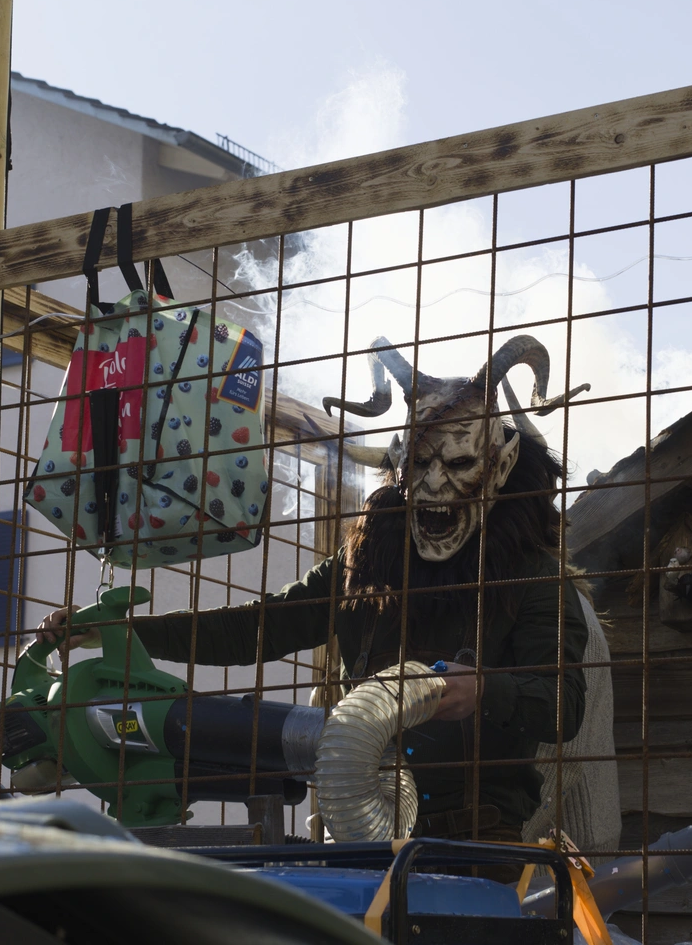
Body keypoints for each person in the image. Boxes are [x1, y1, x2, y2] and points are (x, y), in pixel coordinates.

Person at [38, 335, 588, 844]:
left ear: (500, 467)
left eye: (460, 463)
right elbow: (256, 629)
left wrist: (486, 690)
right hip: (361, 830)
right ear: (401, 464)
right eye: (421, 463)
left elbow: (563, 705)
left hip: (474, 840)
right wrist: (121, 632)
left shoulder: (533, 577)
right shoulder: (365, 565)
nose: (434, 483)